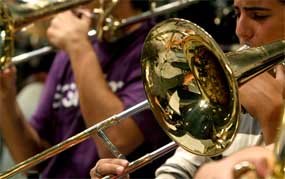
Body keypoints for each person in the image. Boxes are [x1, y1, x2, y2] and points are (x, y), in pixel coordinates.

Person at [90, 0, 285, 178]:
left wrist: (273, 123)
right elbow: (177, 172)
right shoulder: (235, 93)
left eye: (259, 15)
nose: (240, 30)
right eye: (237, 14)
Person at [0, 0, 171, 178]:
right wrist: (5, 98)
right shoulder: (73, 48)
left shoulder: (158, 51)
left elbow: (114, 142)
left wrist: (77, 45)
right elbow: (32, 160)